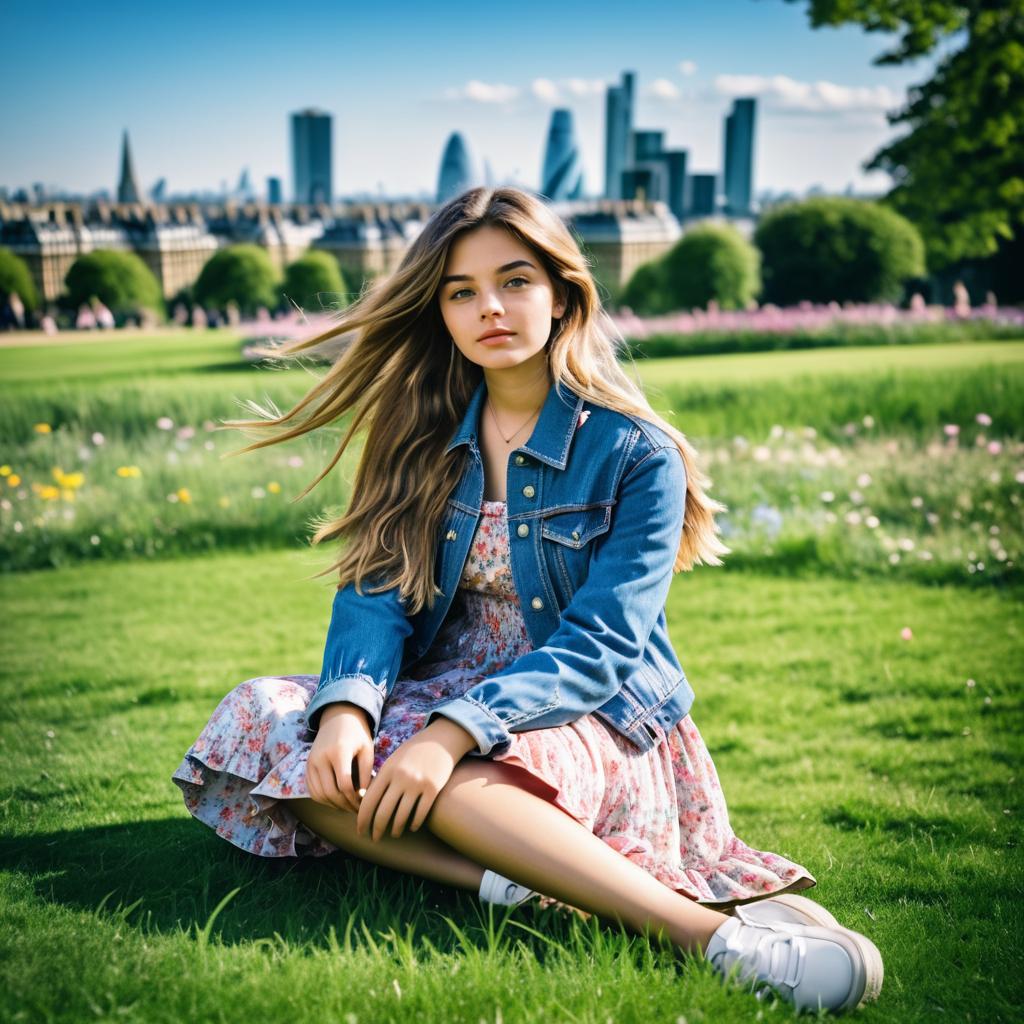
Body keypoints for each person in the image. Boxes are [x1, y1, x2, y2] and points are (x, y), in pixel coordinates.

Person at [173, 186, 883, 1014]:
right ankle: (525, 886)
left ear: (562, 294)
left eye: (515, 281)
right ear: (439, 310)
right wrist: (348, 710)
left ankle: (713, 942)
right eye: (461, 291)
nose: (491, 308)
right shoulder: (419, 435)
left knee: (461, 780)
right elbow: (375, 588)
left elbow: (601, 647)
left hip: (583, 710)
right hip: (438, 689)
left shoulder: (636, 453)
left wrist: (450, 734)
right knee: (286, 738)